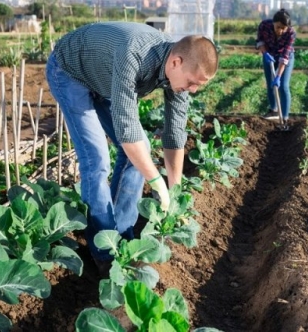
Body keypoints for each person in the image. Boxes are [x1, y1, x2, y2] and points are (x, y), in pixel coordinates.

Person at [45, 21, 218, 274]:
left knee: (141, 152)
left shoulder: (179, 72)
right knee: (96, 160)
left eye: (198, 86)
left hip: (103, 77)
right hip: (70, 70)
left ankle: (122, 234)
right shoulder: (135, 55)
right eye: (192, 83)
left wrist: (173, 188)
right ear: (176, 63)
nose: (192, 90)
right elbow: (128, 134)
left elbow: (174, 134)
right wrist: (157, 182)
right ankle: (103, 250)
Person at [256, 9, 296, 125]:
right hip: (268, 55)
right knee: (270, 85)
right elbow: (260, 41)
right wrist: (265, 53)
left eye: (284, 28)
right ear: (273, 23)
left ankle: (284, 117)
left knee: (283, 86)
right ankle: (273, 110)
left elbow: (285, 56)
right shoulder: (264, 25)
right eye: (278, 27)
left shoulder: (291, 33)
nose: (281, 31)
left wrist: (278, 76)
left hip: (285, 57)